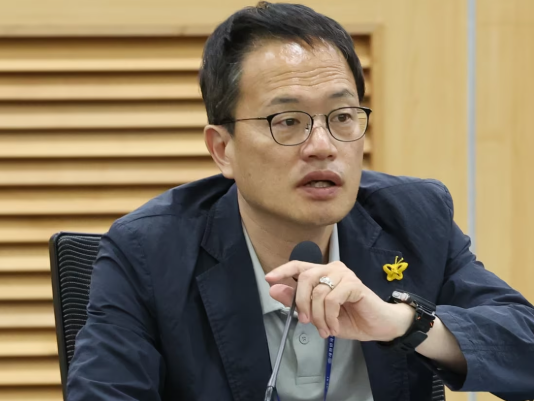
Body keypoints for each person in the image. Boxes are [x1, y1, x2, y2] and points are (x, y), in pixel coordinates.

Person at [66, 2, 534, 400]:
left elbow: (524, 345)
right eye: (287, 121)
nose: (322, 146)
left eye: (342, 116)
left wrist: (404, 323)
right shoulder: (149, 252)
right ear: (223, 149)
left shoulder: (413, 219)